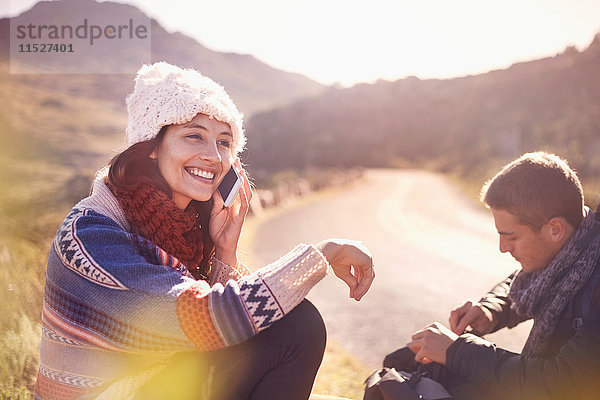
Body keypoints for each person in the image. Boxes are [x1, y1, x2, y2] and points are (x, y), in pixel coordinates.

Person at [34, 62, 375, 400]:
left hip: (155, 383)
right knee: (296, 326)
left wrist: (225, 250)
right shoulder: (92, 233)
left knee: (286, 326)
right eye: (194, 135)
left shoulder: (181, 228)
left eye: (224, 142)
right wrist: (324, 254)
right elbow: (204, 319)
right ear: (152, 146)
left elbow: (212, 334)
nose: (213, 156)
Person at [384, 152, 600, 400]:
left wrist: (457, 352)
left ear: (555, 229)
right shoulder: (573, 249)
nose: (502, 248)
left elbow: (563, 382)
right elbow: (526, 283)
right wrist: (490, 310)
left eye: (511, 237)